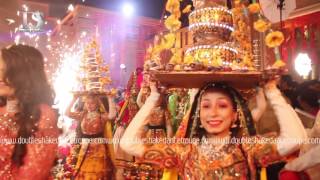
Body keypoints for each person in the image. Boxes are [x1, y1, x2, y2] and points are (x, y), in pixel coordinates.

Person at [120, 79, 306, 179]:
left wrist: (272, 91)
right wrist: (153, 98)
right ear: (198, 115)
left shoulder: (247, 149)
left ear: (235, 115)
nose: (213, 113)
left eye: (222, 105)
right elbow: (129, 144)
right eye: (206, 106)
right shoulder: (185, 149)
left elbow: (295, 139)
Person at [0, 44, 59, 179]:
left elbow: (32, 174)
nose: (0, 77)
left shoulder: (42, 115)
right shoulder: (4, 110)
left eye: (6, 72)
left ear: (25, 75)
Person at [65, 93, 116, 179]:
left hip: (98, 149)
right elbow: (67, 113)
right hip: (85, 149)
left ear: (97, 104)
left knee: (97, 173)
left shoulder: (101, 116)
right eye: (87, 103)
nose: (89, 105)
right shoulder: (82, 115)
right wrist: (74, 98)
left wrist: (110, 98)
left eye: (92, 103)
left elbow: (112, 115)